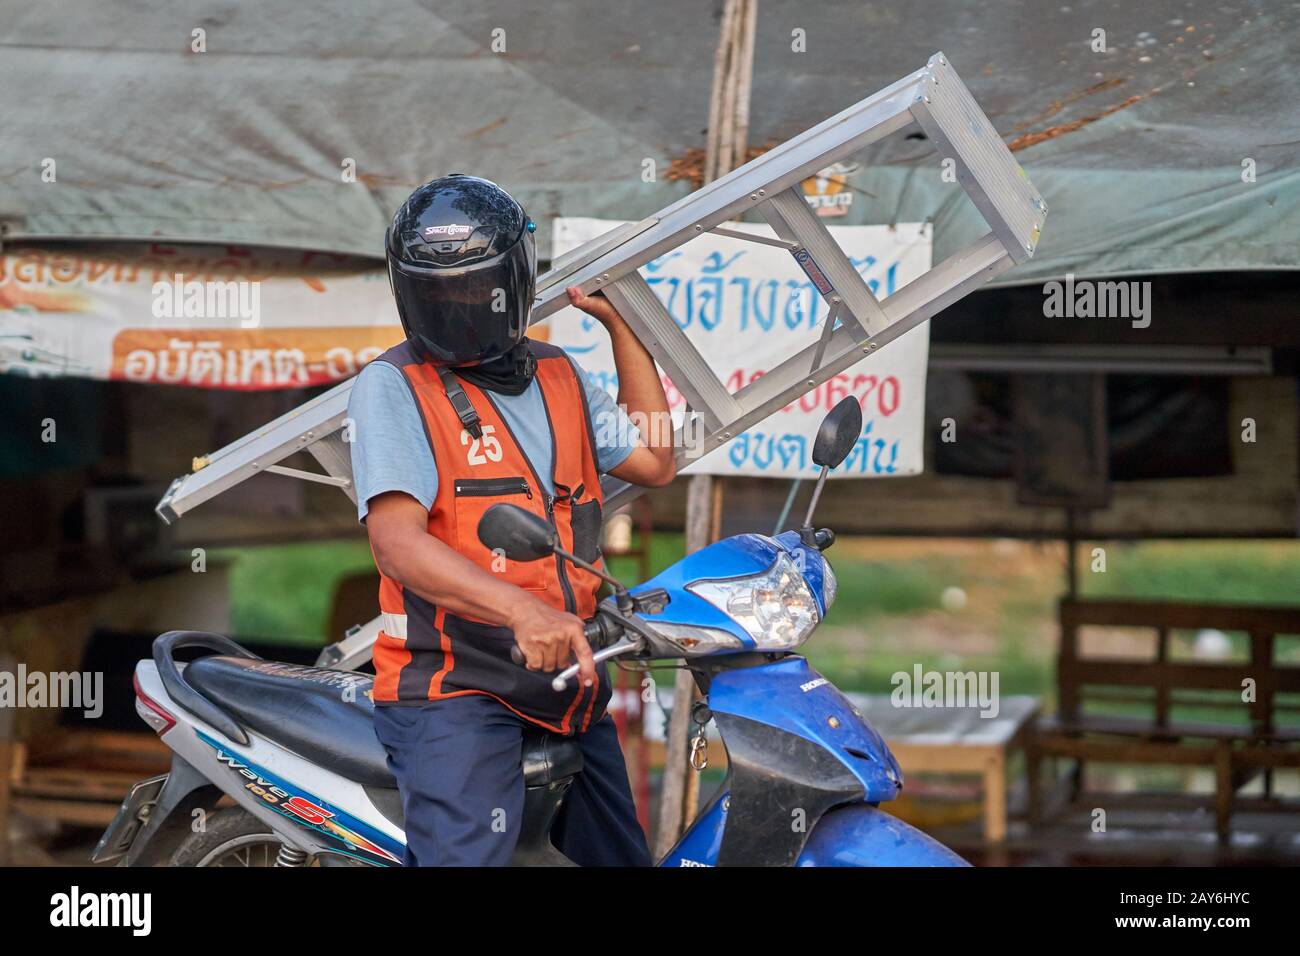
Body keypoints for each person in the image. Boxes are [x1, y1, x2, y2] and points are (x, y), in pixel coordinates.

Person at [348, 174, 676, 866]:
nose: (460, 307)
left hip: (567, 677)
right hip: (454, 686)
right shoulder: (394, 387)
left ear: (516, 279)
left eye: (475, 287)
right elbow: (398, 543)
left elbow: (653, 460)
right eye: (438, 293)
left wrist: (624, 331)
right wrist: (519, 612)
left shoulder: (560, 374)